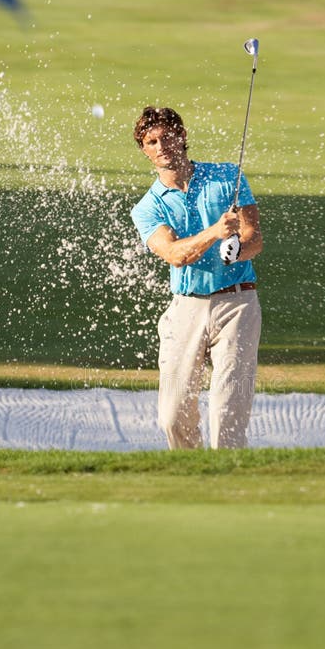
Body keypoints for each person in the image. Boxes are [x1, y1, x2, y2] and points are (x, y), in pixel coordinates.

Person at [131, 106, 263, 450]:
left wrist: (238, 249)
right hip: (186, 308)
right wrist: (216, 233)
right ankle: (190, 479)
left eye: (168, 137)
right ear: (144, 150)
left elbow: (255, 239)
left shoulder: (227, 177)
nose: (162, 146)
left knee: (228, 412)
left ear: (183, 136)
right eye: (152, 141)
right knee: (173, 416)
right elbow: (175, 255)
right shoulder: (147, 207)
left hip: (237, 304)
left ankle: (227, 487)